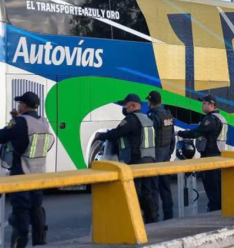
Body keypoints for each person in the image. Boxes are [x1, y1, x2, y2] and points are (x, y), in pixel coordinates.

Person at [0, 92, 54, 248]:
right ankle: (40, 243)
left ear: (23, 105)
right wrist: (16, 119)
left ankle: (19, 245)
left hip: (22, 173)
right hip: (39, 174)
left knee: (20, 213)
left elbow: (3, 135)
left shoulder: (20, 122)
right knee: (36, 209)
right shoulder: (43, 122)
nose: (18, 106)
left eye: (20, 103)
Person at [96, 94, 158, 224]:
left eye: (125, 105)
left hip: (135, 161)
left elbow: (116, 133)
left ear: (133, 105)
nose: (124, 107)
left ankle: (135, 222)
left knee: (134, 192)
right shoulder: (147, 119)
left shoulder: (131, 120)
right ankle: (152, 219)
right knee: (147, 192)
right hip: (149, 161)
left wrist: (101, 135)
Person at [177, 94, 227, 212]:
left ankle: (215, 210)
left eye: (204, 103)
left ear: (211, 105)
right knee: (218, 186)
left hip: (210, 156)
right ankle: (220, 208)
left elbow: (197, 133)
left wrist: (180, 133)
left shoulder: (211, 119)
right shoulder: (221, 118)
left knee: (211, 186)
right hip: (219, 155)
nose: (202, 105)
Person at [146, 91, 176, 221]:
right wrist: (168, 154)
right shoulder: (168, 115)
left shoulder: (152, 116)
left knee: (153, 188)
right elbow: (172, 138)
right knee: (165, 187)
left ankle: (154, 216)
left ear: (150, 102)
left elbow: (149, 138)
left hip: (155, 155)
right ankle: (169, 215)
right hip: (165, 155)